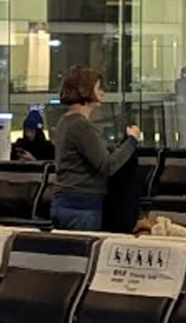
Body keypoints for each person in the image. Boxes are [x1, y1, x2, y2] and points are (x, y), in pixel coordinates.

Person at [51, 65, 141, 231]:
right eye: (98, 88)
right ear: (86, 90)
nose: (102, 93)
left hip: (64, 202)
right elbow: (107, 166)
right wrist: (132, 141)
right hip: (82, 207)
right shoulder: (81, 126)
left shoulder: (64, 121)